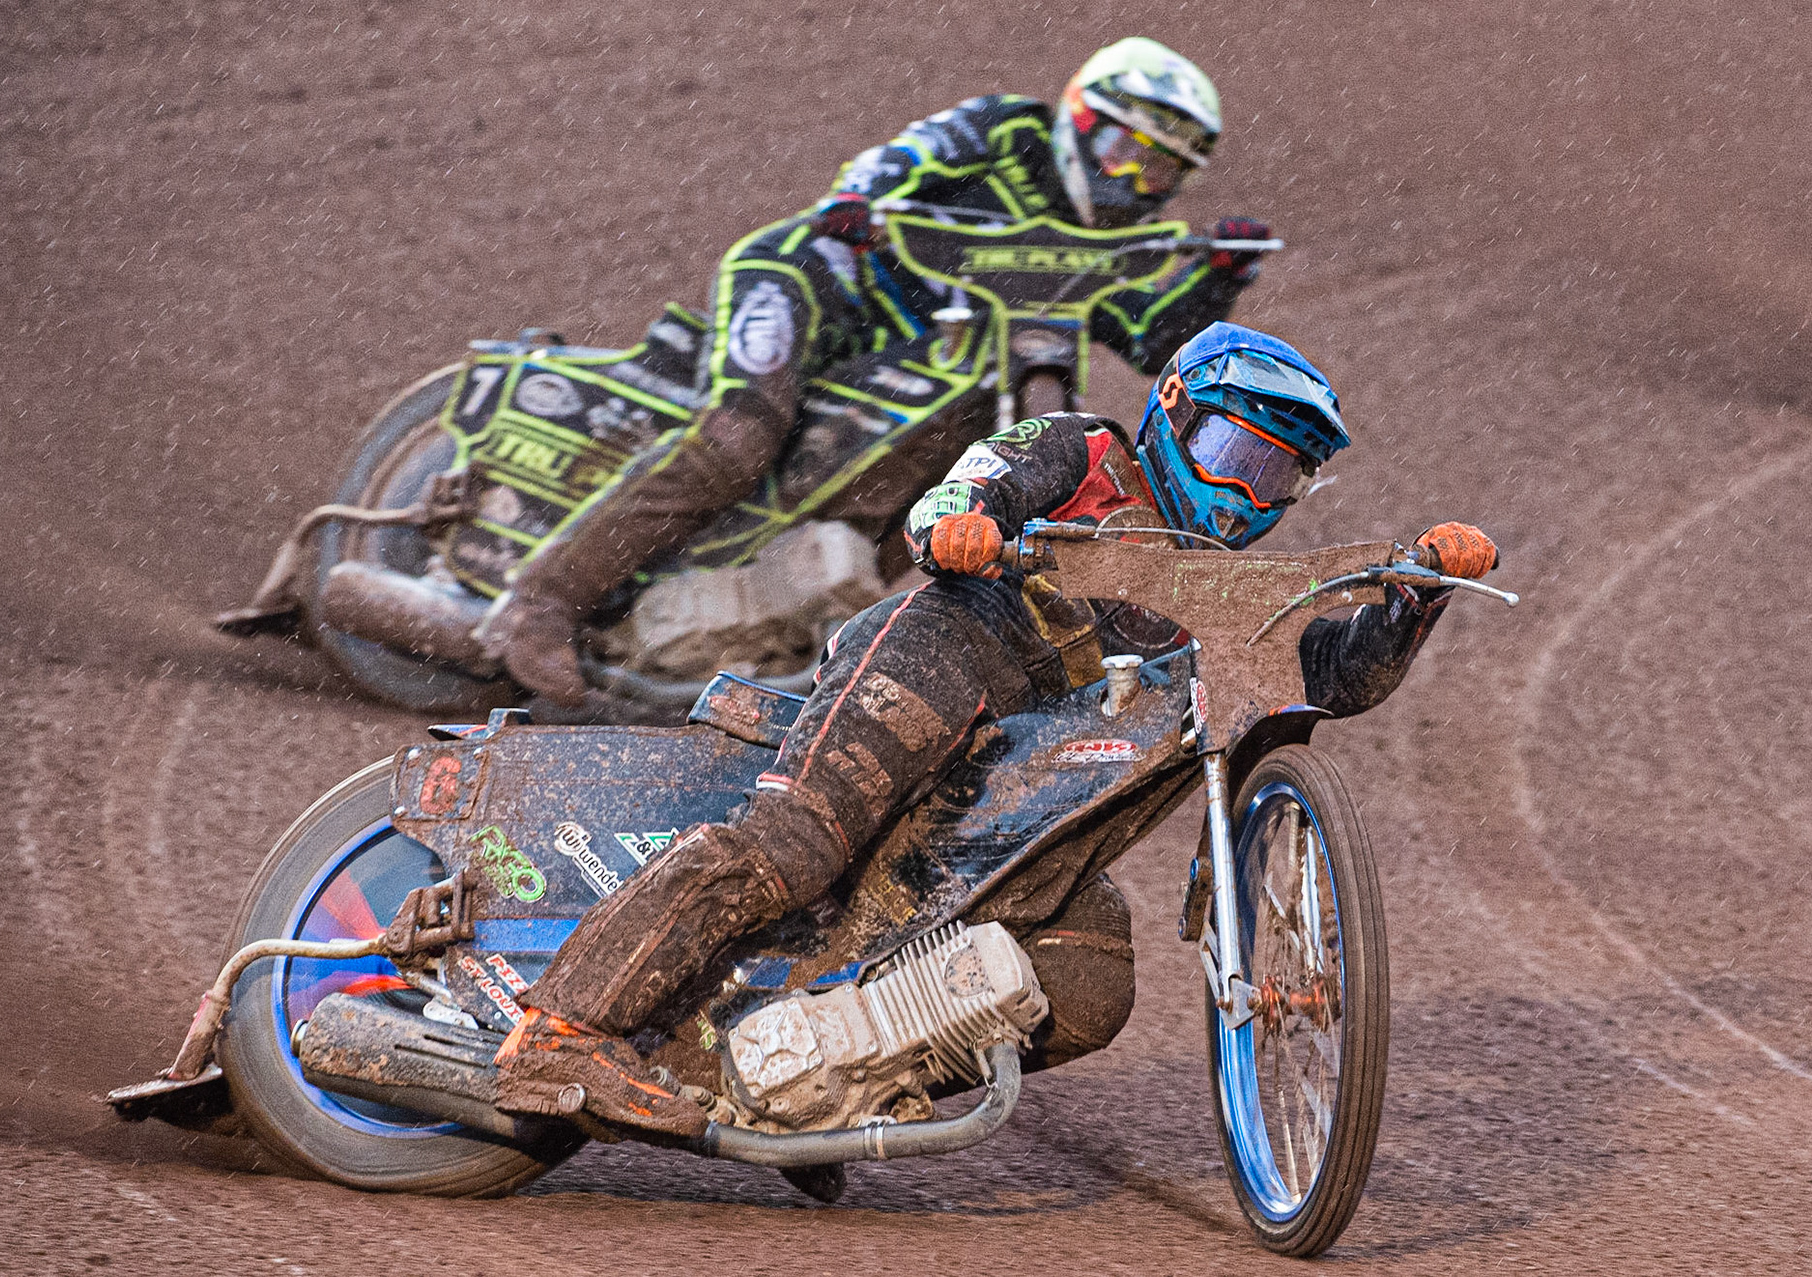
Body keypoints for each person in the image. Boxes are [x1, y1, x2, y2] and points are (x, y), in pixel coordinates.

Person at [489, 321, 1501, 1135]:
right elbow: (962, 491)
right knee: (794, 846)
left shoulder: (1229, 598)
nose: (1245, 493)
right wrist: (958, 525)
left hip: (1022, 779)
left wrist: (1417, 595)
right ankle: (560, 1027)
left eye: (1275, 477)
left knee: (1087, 976)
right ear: (1173, 411)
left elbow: (1337, 673)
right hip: (949, 652)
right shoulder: (1083, 449)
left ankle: (811, 1086)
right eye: (1233, 453)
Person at [478, 37, 1277, 706]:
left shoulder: (1106, 249)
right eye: (1125, 152)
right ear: (1081, 118)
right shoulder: (1008, 130)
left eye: (1159, 172)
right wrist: (862, 198)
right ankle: (539, 602)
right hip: (817, 280)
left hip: (922, 367)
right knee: (738, 440)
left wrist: (1218, 277)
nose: (1134, 181)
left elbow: (1149, 337)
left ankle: (749, 642)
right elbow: (903, 156)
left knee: (928, 506)